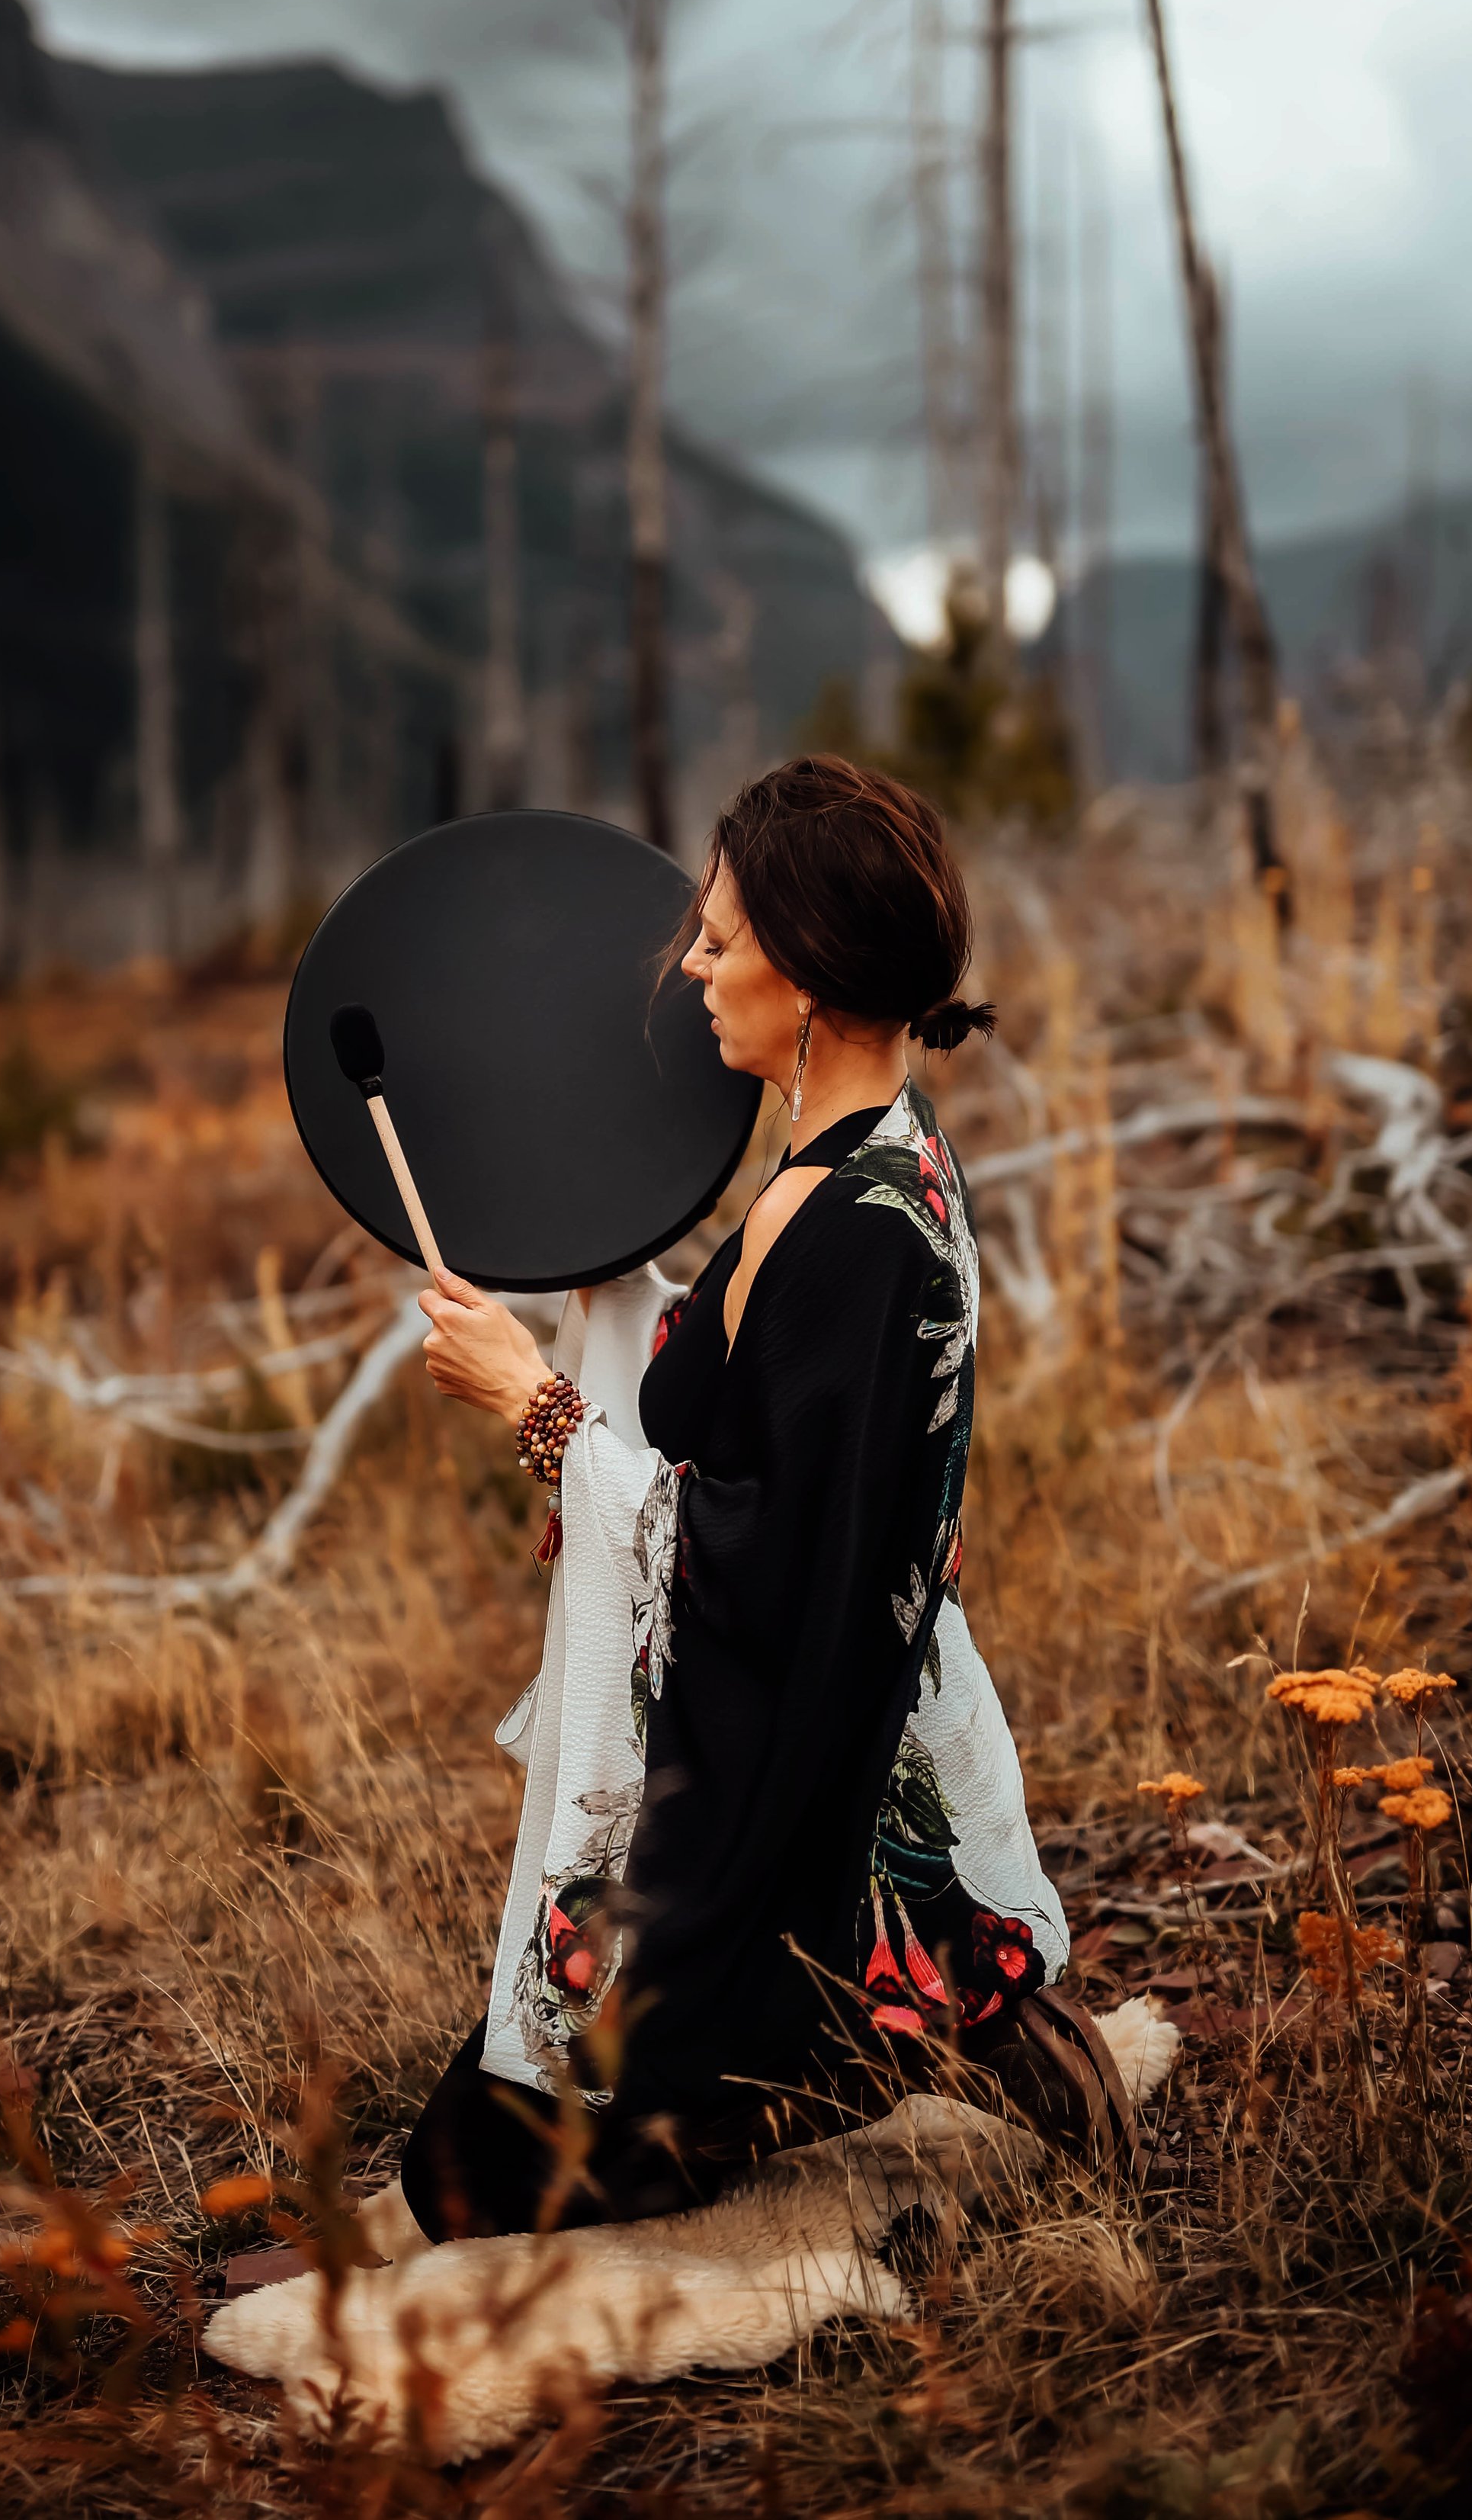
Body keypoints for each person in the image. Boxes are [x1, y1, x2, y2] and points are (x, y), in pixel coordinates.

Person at [402, 756, 1126, 2241]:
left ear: (804, 975)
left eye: (721, 941)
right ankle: (815, 2047)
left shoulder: (852, 1231)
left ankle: (785, 2054)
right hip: (801, 1768)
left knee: (461, 2177)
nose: (692, 967)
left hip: (765, 1834)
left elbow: (762, 1562)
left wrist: (531, 1405)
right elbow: (763, 1427)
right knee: (476, 2129)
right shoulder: (878, 1161)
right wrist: (619, 1294)